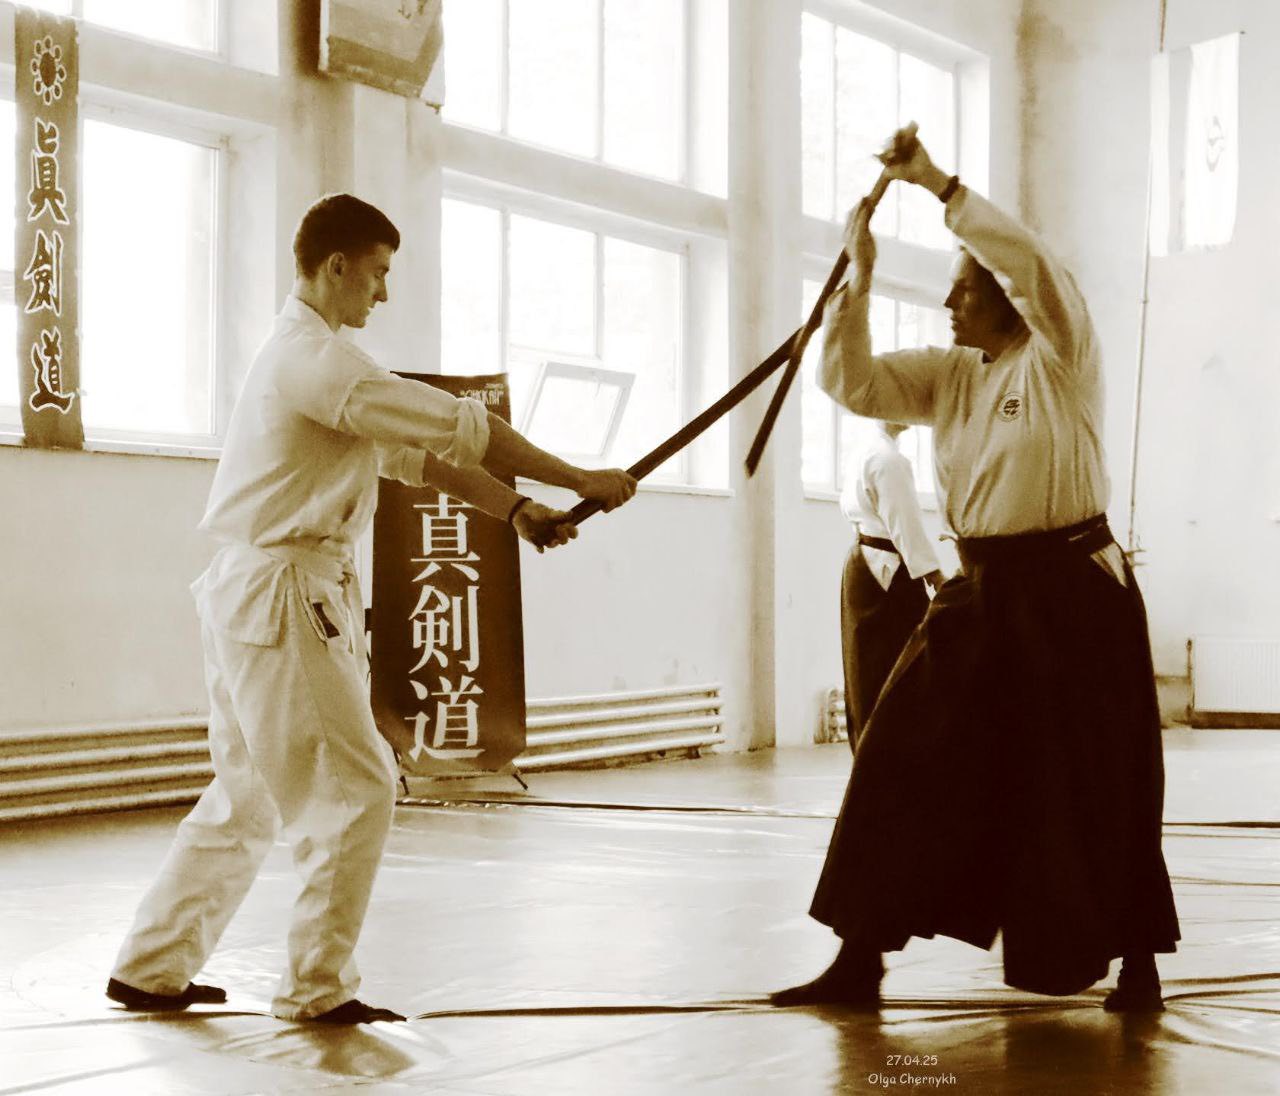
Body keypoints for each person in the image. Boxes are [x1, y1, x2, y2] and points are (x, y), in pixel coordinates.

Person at [107, 194, 636, 1024]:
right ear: (337, 266)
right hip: (283, 592)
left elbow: (418, 459)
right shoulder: (322, 364)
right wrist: (579, 477)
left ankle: (150, 967)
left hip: (254, 589)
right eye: (378, 273)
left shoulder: (310, 363)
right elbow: (464, 427)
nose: (383, 292)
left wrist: (514, 510)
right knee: (358, 788)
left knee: (248, 793)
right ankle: (317, 989)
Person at [772, 129, 1179, 1012]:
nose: (950, 303)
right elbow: (854, 384)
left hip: (1073, 590)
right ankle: (858, 959)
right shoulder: (950, 375)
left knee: (1097, 774)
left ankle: (1139, 961)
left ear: (1006, 299)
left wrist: (934, 184)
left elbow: (1035, 266)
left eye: (964, 289)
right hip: (981, 590)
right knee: (896, 756)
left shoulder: (1062, 357)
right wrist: (859, 277)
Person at [838, 420, 943, 751]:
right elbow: (904, 525)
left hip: (862, 563)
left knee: (864, 668)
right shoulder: (888, 460)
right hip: (888, 571)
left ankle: (868, 756)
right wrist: (936, 577)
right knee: (898, 668)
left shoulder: (865, 450)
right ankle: (887, 759)